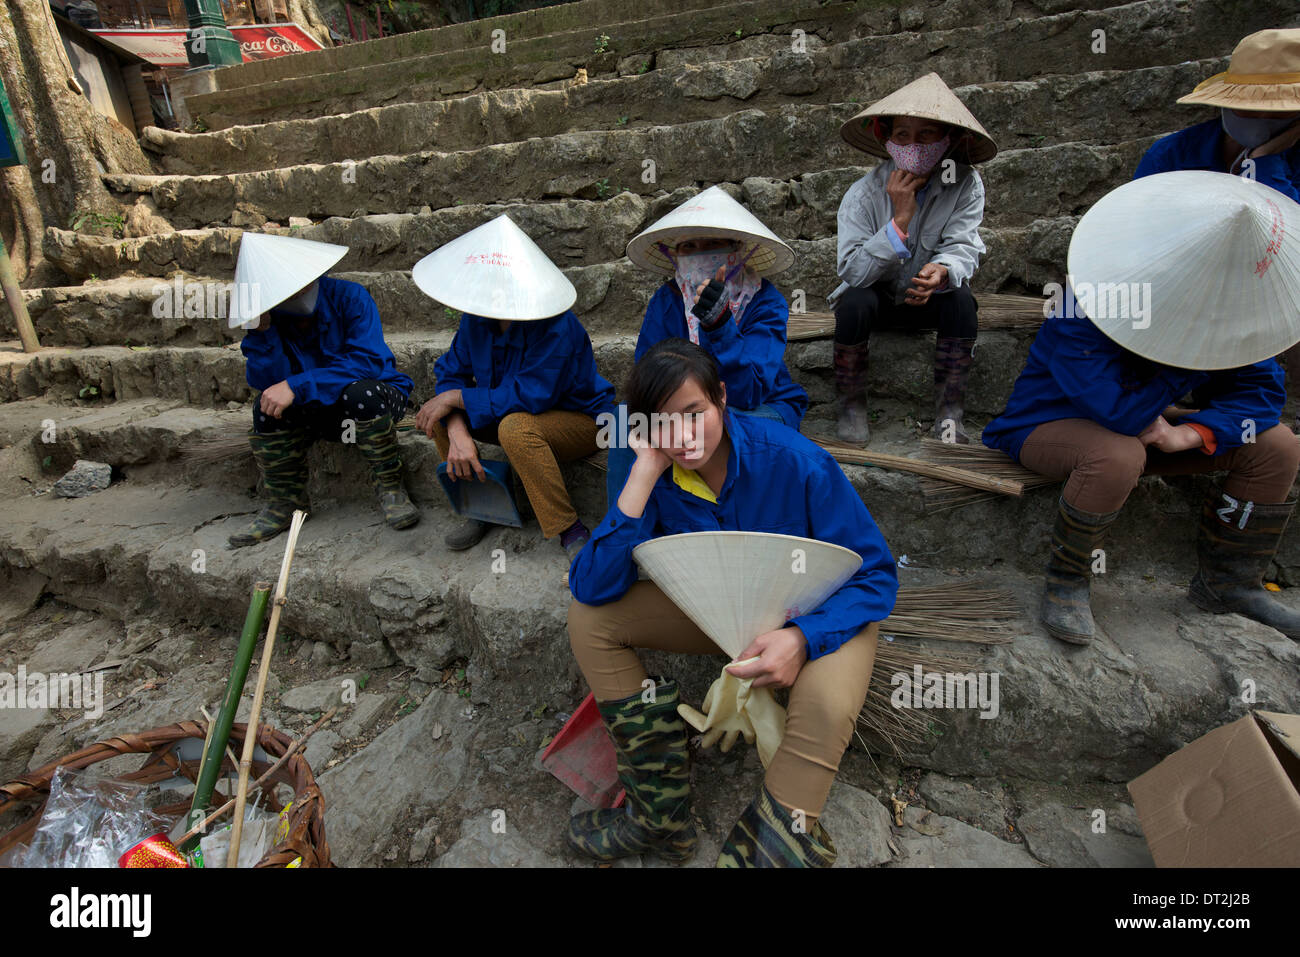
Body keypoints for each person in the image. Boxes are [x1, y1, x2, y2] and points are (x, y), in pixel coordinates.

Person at [566, 339, 898, 867]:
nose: (682, 437)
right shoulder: (655, 472)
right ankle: (659, 816)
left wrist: (801, 639)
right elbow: (591, 586)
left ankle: (774, 846)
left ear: (721, 398)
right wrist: (641, 475)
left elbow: (876, 575)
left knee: (828, 705)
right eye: (661, 423)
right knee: (590, 621)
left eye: (693, 414)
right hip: (715, 612)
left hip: (817, 617)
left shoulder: (795, 461)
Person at [982, 171, 1300, 645]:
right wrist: (1190, 365)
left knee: (1276, 447)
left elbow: (1262, 397)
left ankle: (1230, 585)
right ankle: (1068, 582)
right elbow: (1117, 411)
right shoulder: (1084, 302)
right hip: (1048, 427)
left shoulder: (1228, 311)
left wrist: (1191, 434)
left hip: (1152, 430)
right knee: (1118, 453)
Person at [411, 215, 615, 560]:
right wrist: (457, 428)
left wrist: (458, 397)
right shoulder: (477, 319)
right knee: (438, 413)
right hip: (508, 411)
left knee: (515, 427)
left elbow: (531, 395)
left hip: (582, 423)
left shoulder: (557, 326)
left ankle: (569, 528)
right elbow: (451, 372)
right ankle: (481, 505)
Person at [606, 186, 808, 509]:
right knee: (623, 422)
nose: (700, 253)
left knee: (720, 423)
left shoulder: (766, 301)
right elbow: (648, 375)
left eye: (713, 244)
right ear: (675, 255)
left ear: (737, 251)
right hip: (684, 408)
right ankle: (622, 530)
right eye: (689, 246)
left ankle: (723, 521)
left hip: (759, 407)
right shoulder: (667, 300)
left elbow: (749, 392)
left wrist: (720, 325)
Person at [830, 72, 997, 445]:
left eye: (926, 135)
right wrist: (899, 221)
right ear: (886, 139)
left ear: (947, 140)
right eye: (902, 135)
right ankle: (851, 407)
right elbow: (853, 271)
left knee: (961, 300)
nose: (913, 145)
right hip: (878, 298)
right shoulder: (862, 194)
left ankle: (949, 415)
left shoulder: (965, 183)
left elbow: (964, 245)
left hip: (928, 299)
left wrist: (942, 271)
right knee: (853, 301)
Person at [228, 233, 419, 548]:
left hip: (374, 399)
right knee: (265, 406)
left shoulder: (351, 297)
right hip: (316, 410)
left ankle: (391, 487)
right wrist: (261, 333)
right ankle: (284, 503)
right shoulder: (271, 318)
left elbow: (366, 362)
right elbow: (268, 382)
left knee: (361, 393)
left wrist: (297, 384)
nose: (298, 293)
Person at [1134, 28, 1300, 201]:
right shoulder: (1171, 156)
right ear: (1227, 104)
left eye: (1279, 111)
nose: (1263, 117)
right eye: (1250, 108)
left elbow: (1289, 224)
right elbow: (1137, 220)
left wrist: (1264, 160)